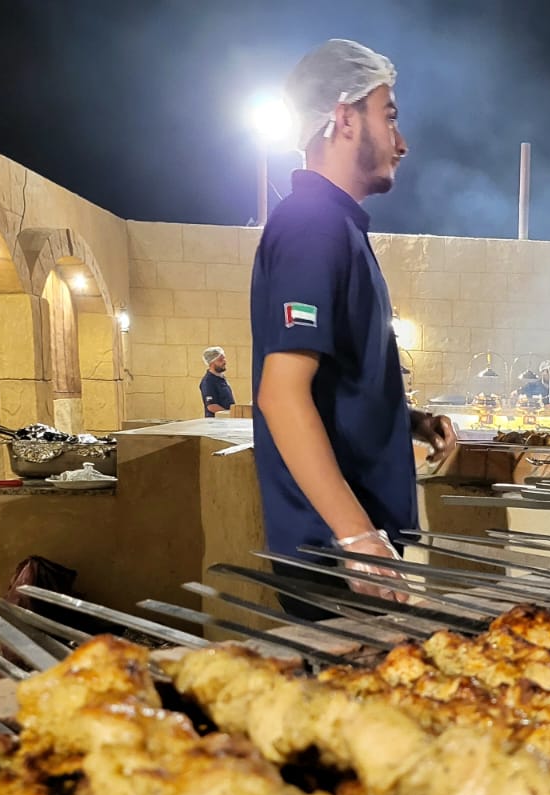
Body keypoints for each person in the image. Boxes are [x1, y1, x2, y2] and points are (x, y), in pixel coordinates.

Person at [250, 39, 455, 611]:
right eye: (388, 117)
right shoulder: (313, 226)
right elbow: (281, 395)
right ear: (343, 118)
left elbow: (330, 380)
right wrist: (356, 537)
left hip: (350, 545)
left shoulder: (337, 228)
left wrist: (407, 420)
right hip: (334, 555)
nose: (402, 141)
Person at [199, 347, 234, 417]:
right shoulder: (208, 381)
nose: (224, 362)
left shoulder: (221, 378)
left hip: (226, 421)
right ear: (211, 363)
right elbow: (212, 406)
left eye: (224, 358)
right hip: (217, 423)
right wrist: (229, 414)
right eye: (220, 360)